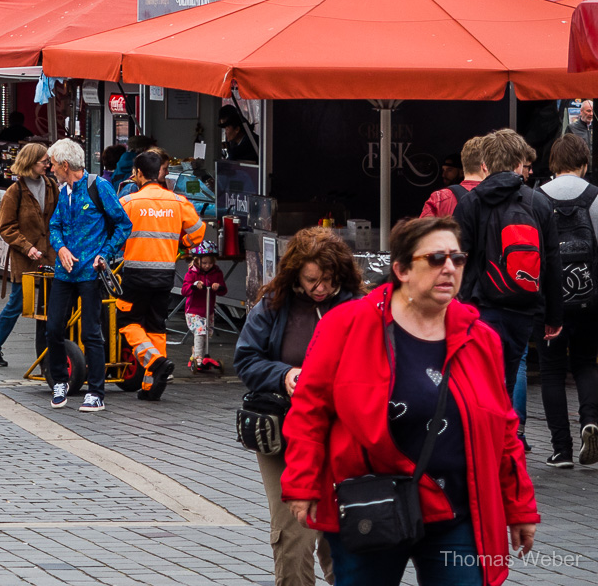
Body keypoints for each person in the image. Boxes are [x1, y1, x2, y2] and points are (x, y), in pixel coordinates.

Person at [281, 216, 539, 585]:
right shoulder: (347, 325)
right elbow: (310, 410)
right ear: (401, 269)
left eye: (458, 258)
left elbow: (504, 430)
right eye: (435, 259)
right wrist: (301, 484)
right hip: (371, 503)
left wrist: (520, 507)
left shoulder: (480, 338)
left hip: (459, 512)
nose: (449, 267)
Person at [233, 228, 364, 586]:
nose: (319, 288)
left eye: (327, 280)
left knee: (340, 531)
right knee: (293, 531)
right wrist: (284, 375)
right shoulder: (275, 302)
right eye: (311, 280)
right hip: (283, 432)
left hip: (340, 433)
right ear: (295, 274)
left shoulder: (357, 307)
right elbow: (245, 359)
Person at [451, 128, 564, 400]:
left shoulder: (470, 203)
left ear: (484, 165)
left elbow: (456, 259)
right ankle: (506, 435)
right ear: (518, 163)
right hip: (522, 308)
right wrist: (553, 316)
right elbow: (551, 260)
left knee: (475, 382)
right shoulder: (538, 203)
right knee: (508, 380)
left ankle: (479, 438)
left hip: (479, 307)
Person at [45, 138, 128, 413]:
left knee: (92, 332)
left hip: (91, 274)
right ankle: (60, 382)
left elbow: (123, 224)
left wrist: (103, 254)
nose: (51, 169)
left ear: (65, 165)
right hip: (64, 272)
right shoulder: (63, 191)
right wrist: (61, 248)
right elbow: (54, 225)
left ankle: (96, 392)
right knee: (54, 327)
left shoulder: (98, 187)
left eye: (54, 165)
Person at [116, 150, 206, 400]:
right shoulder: (178, 202)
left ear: (139, 174)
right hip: (164, 275)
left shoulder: (129, 202)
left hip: (135, 274)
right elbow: (198, 232)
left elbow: (115, 235)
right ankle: (151, 386)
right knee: (156, 325)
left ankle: (154, 362)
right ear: (160, 173)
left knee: (126, 321)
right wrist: (182, 244)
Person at [539, 132, 598, 468]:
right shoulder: (595, 197)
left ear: (552, 164)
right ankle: (590, 420)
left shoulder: (535, 198)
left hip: (549, 302)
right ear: (584, 163)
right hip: (590, 299)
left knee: (550, 372)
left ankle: (561, 449)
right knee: (586, 363)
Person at [0, 143, 52, 369]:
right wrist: (27, 247)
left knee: (47, 308)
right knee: (18, 303)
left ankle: (45, 358)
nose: (47, 165)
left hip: (49, 258)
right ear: (31, 162)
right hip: (26, 260)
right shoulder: (16, 191)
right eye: (43, 161)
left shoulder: (51, 185)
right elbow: (6, 227)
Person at [181, 241, 227, 373]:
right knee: (200, 331)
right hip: (193, 311)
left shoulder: (216, 273)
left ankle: (197, 353)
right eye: (204, 263)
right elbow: (184, 290)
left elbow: (224, 290)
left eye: (210, 263)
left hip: (208, 310)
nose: (207, 266)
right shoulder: (192, 273)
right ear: (197, 261)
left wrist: (218, 286)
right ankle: (198, 358)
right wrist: (194, 286)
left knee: (207, 334)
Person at [423, 136, 486, 218]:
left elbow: (422, 230)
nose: (444, 175)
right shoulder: (499, 196)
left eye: (449, 170)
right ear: (485, 166)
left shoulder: (439, 198)